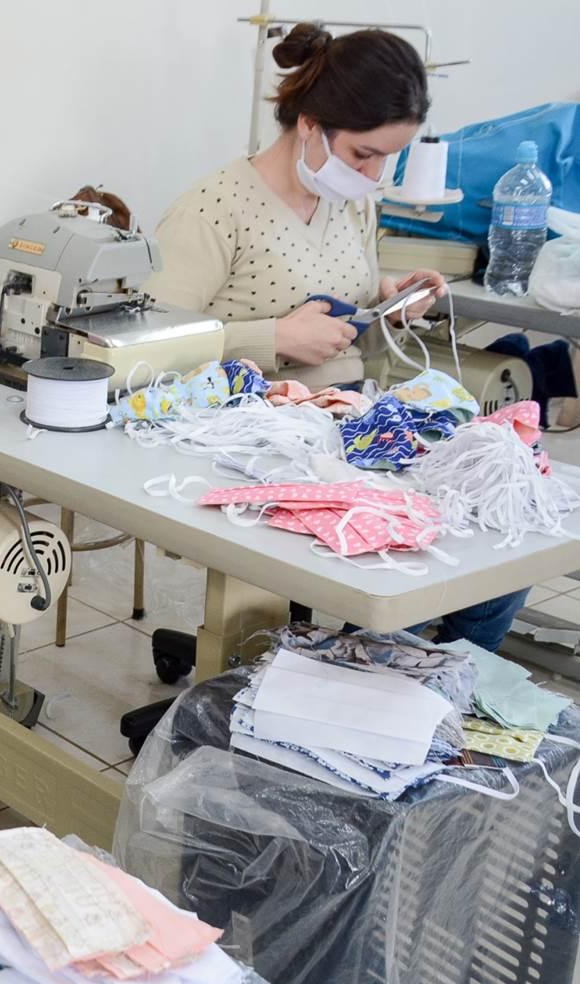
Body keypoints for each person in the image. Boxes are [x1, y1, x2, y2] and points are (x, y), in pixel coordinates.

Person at [144, 24, 527, 651]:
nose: (376, 175)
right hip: (253, 435)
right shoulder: (213, 209)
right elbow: (146, 344)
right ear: (311, 125)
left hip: (347, 423)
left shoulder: (349, 202)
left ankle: (429, 693)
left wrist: (392, 302)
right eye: (364, 155)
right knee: (404, 571)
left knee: (497, 537)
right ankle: (348, 691)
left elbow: (346, 302)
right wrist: (272, 337)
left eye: (390, 157)